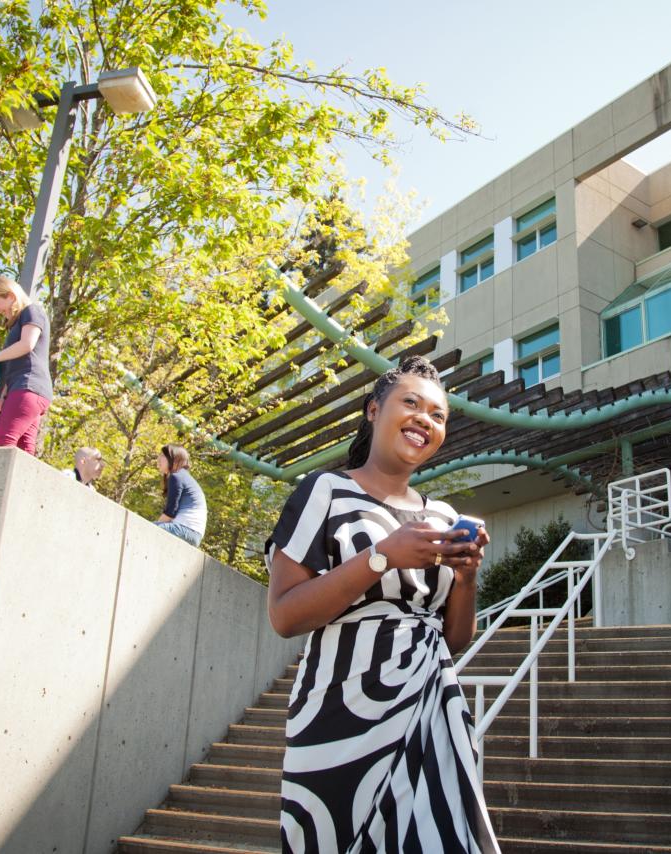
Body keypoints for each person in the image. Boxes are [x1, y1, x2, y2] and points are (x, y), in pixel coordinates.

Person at [264, 355, 499, 852]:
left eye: (438, 415)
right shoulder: (325, 491)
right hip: (339, 710)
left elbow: (453, 640)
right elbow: (284, 615)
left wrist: (466, 577)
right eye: (410, 403)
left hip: (430, 704)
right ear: (374, 411)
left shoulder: (442, 514)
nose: (425, 420)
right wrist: (382, 558)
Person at [0, 276, 52, 455]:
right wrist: (4, 396)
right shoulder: (17, 322)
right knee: (24, 449)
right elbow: (17, 363)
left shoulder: (32, 311)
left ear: (11, 296)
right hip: (25, 389)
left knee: (4, 442)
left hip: (30, 388)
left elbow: (26, 345)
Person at [155, 444, 206, 547]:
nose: (159, 458)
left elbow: (170, 513)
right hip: (191, 533)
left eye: (163, 455)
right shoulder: (181, 476)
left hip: (187, 531)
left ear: (175, 460)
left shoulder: (176, 476)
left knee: (147, 528)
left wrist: (153, 526)